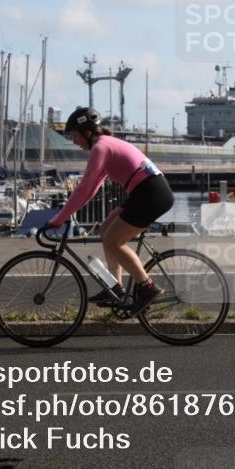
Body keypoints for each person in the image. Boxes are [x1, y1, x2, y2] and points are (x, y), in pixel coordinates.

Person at [47, 107, 175, 315]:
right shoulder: (105, 145)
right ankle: (115, 287)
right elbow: (90, 189)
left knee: (114, 240)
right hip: (147, 191)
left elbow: (83, 188)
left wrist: (59, 218)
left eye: (74, 136)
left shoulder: (101, 147)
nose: (74, 142)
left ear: (87, 133)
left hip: (151, 193)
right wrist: (63, 216)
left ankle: (147, 287)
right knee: (106, 229)